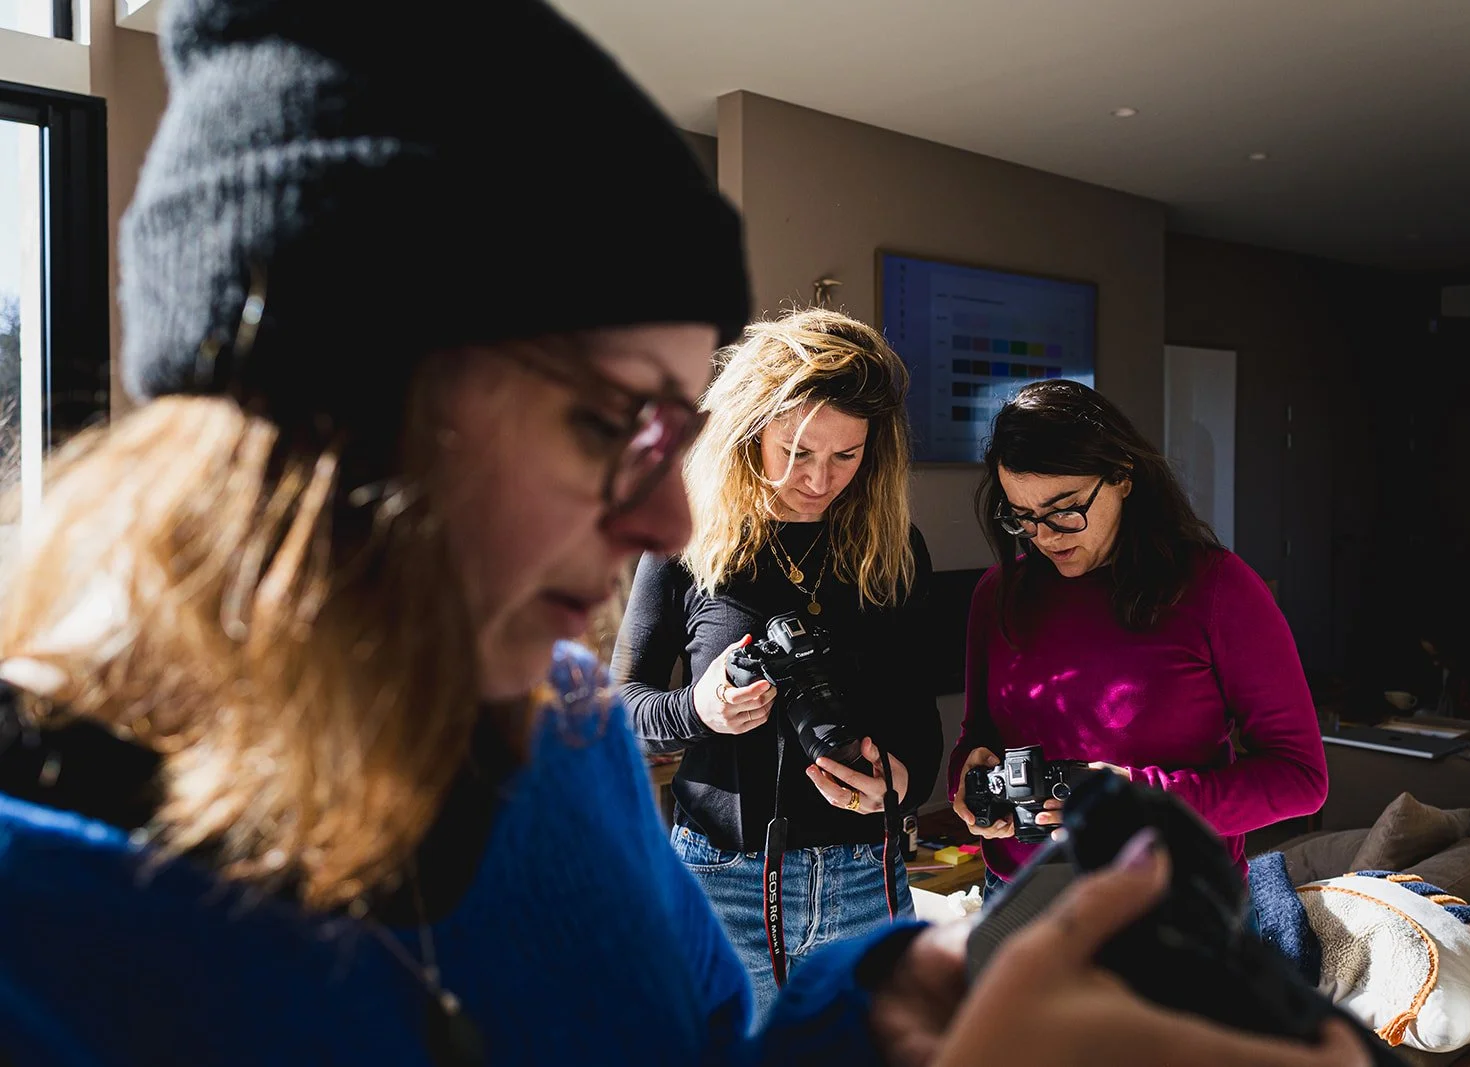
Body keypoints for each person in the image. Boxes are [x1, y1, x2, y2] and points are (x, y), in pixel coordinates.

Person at [0, 2, 1375, 1063]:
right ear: (336, 409)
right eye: (611, 423)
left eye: (683, 432)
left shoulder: (571, 743)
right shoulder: (40, 927)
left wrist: (882, 1009)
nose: (670, 511)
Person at [612, 309, 943, 1018]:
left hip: (864, 877)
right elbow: (620, 709)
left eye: (846, 456)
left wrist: (901, 781)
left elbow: (920, 715)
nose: (819, 479)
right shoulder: (685, 537)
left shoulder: (893, 547)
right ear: (748, 429)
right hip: (719, 880)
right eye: (794, 450)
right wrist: (696, 711)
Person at [950, 379, 1329, 896]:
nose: (1046, 537)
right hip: (1020, 900)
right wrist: (969, 781)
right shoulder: (997, 594)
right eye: (1024, 517)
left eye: (1065, 509)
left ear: (1123, 477)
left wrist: (1144, 799)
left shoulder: (1218, 588)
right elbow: (978, 736)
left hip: (1171, 908)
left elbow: (1300, 781)